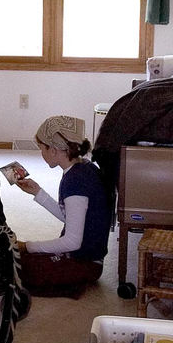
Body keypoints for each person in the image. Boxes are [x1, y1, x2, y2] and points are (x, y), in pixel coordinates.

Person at [14, 115, 110, 297]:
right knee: (18, 258)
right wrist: (38, 192)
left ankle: (74, 282)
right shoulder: (84, 168)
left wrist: (27, 246)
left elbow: (72, 241)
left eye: (42, 148)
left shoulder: (75, 181)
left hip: (84, 263)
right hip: (89, 258)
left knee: (16, 267)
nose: (41, 154)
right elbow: (72, 217)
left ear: (54, 150)